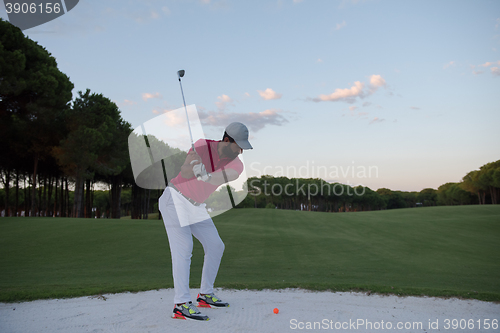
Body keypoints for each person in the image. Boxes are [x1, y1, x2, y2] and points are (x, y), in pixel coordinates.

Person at [158, 122, 252, 321]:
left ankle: (205, 295)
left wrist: (207, 175)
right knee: (184, 248)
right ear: (227, 140)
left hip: (196, 206)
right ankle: (181, 304)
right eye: (238, 145)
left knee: (216, 245)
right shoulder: (201, 145)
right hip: (175, 200)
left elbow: (225, 176)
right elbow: (184, 173)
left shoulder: (237, 163)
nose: (241, 150)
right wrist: (192, 165)